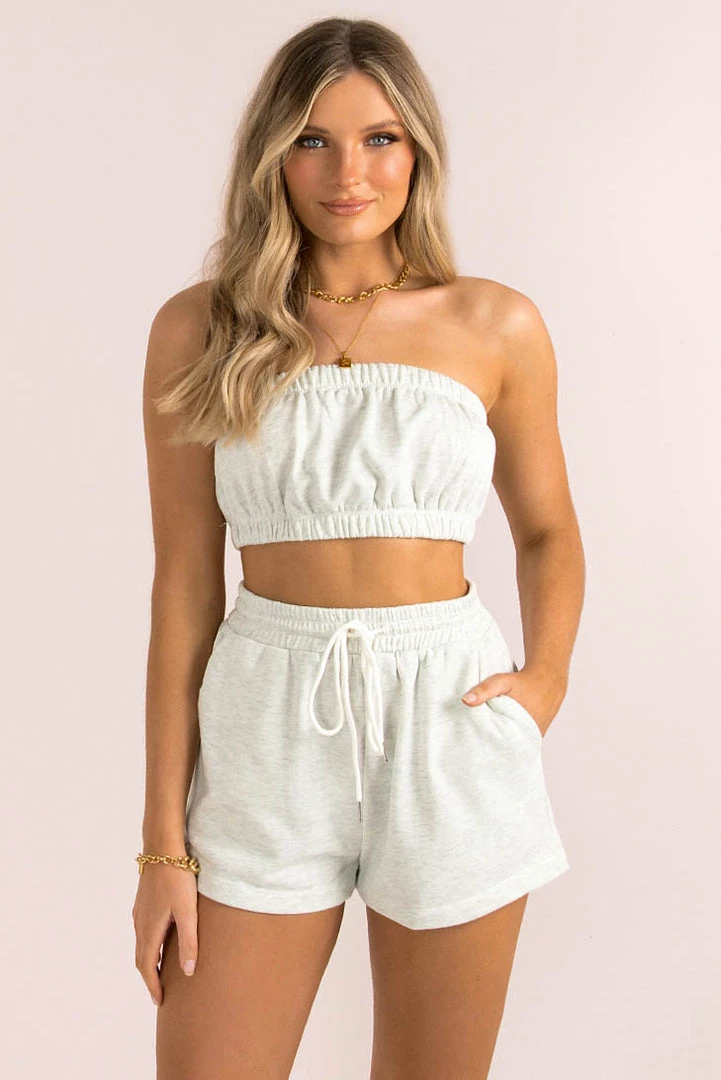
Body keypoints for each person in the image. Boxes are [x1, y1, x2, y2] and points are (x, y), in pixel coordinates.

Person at [133, 15, 585, 1080]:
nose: (348, 173)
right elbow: (185, 585)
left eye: (380, 138)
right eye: (312, 140)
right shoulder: (200, 328)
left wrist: (544, 685)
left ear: (418, 148)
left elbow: (548, 529)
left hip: (450, 716)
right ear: (270, 156)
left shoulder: (494, 324)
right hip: (264, 726)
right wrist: (161, 845)